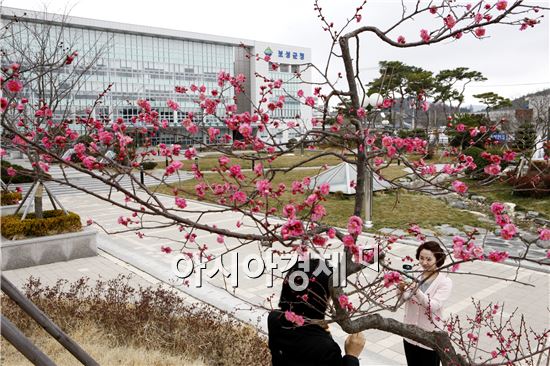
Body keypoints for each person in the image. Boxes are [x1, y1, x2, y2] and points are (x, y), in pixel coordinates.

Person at [268, 258, 366, 366]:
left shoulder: (274, 319)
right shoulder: (327, 349)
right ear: (321, 298)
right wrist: (352, 356)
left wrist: (321, 330)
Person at [397, 241, 452, 366]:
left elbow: (433, 306)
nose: (424, 262)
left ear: (437, 259)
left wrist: (416, 290)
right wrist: (400, 290)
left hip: (430, 338)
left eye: (429, 259)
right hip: (410, 335)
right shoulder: (414, 274)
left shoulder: (444, 282)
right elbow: (404, 299)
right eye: (421, 258)